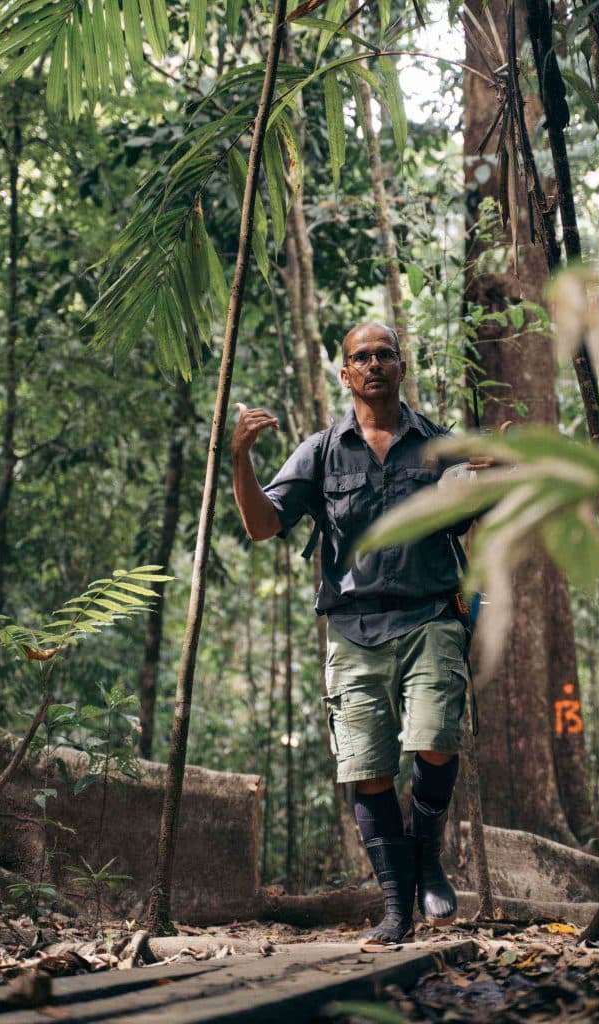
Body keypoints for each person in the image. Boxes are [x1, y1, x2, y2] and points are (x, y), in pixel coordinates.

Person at [231, 322, 471, 948]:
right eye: (360, 357)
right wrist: (239, 461)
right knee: (367, 766)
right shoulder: (320, 451)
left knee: (437, 740)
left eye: (383, 355)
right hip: (354, 626)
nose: (373, 365)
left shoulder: (438, 445)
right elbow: (262, 525)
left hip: (430, 615)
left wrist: (495, 470)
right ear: (345, 374)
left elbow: (477, 512)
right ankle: (397, 908)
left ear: (401, 366)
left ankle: (428, 859)